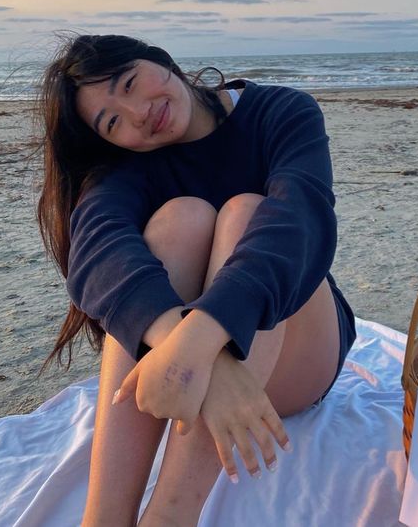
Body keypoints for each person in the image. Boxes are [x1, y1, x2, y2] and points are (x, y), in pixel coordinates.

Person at [36, 34, 356, 527]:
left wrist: (204, 336)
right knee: (180, 219)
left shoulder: (281, 111)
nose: (139, 113)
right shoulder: (128, 166)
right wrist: (191, 351)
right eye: (113, 121)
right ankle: (103, 518)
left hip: (297, 356)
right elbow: (98, 252)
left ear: (162, 60)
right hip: (183, 369)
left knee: (247, 213)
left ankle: (171, 516)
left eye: (130, 82)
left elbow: (301, 221)